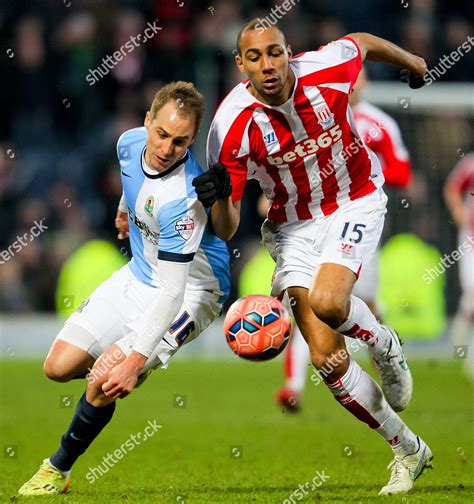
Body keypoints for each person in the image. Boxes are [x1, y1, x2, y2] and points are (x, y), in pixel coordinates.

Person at [193, 20, 431, 495]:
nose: (268, 65)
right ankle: (408, 449)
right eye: (255, 57)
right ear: (241, 65)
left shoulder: (327, 67)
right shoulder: (230, 126)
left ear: (289, 53)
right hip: (292, 225)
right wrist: (219, 200)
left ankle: (384, 344)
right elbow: (226, 227)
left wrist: (414, 63)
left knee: (328, 302)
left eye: (275, 53)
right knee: (326, 357)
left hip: (354, 198)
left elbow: (362, 42)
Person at [18, 81, 230, 495]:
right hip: (139, 271)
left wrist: (133, 361)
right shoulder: (129, 144)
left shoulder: (183, 199)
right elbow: (134, 184)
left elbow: (171, 295)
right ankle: (116, 373)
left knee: (106, 379)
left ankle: (56, 470)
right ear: (147, 122)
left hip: (192, 291)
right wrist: (123, 211)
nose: (167, 148)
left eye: (181, 141)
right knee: (57, 367)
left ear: (194, 138)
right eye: (162, 134)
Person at [277, 67, 414, 411]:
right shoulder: (313, 119)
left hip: (357, 224)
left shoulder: (378, 123)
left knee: (362, 305)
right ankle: (292, 387)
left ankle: (386, 357)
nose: (356, 83)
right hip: (315, 225)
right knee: (307, 305)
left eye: (362, 77)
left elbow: (402, 170)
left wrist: (363, 161)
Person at [444, 152, 474, 380]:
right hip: (471, 238)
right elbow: (452, 187)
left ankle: (462, 343)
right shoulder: (470, 164)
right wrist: (458, 211)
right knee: (472, 292)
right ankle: (461, 346)